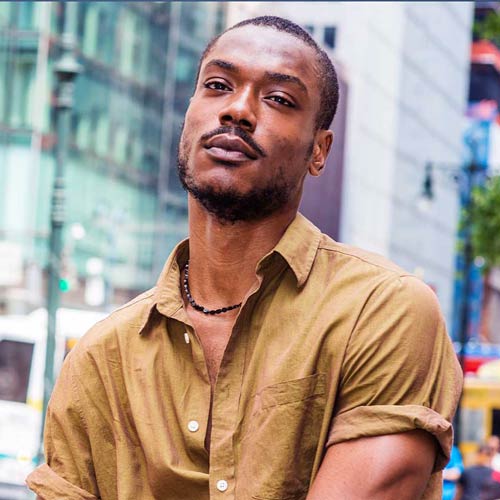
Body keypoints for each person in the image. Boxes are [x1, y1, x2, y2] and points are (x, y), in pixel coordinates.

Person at [26, 15, 463, 500]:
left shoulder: (384, 311)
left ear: (319, 151)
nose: (237, 109)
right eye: (217, 85)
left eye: (279, 99)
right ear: (187, 118)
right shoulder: (100, 358)